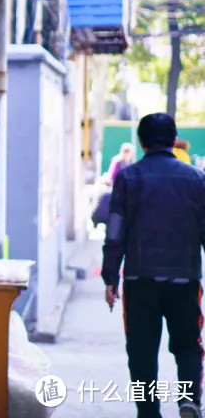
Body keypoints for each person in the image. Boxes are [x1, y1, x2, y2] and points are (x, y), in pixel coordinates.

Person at [102, 113, 205, 418]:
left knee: (141, 351)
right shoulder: (196, 179)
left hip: (139, 280)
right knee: (188, 345)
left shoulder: (128, 177)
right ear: (174, 140)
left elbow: (115, 230)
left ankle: (148, 413)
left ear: (141, 141)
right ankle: (189, 400)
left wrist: (110, 277)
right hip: (184, 279)